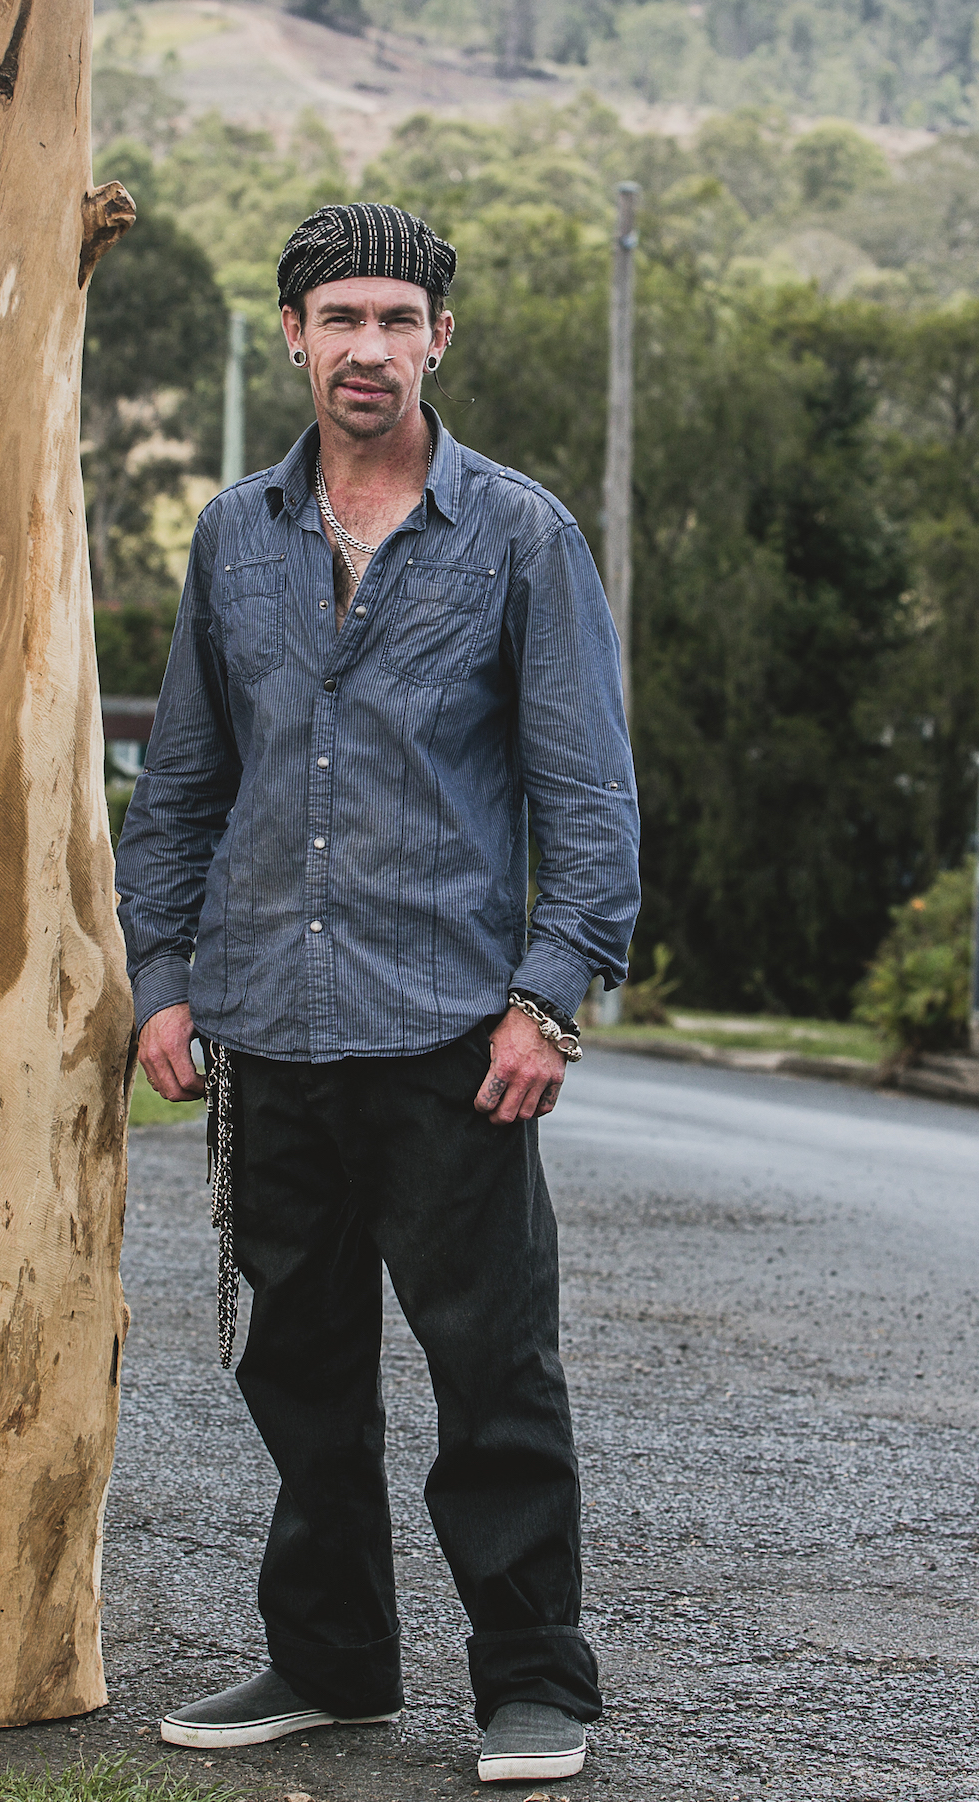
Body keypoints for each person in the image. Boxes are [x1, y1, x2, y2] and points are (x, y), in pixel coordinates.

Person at [117, 201, 639, 1787]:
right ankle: (332, 1662)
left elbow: (589, 795)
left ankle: (534, 1686)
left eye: (395, 320)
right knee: (302, 1372)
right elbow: (185, 783)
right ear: (294, 335)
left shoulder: (523, 538)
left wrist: (550, 1000)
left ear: (438, 341)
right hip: (268, 1027)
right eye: (339, 317)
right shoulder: (232, 536)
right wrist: (164, 978)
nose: (367, 348)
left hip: (449, 1038)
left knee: (494, 1373)